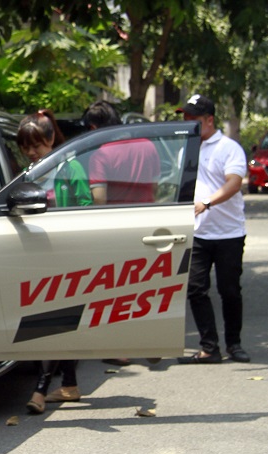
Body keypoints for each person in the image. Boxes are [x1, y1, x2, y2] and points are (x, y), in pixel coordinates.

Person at [16, 109, 90, 413]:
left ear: (50, 139)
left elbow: (85, 207)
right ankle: (69, 385)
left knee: (54, 323)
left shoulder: (71, 168)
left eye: (37, 146)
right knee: (58, 323)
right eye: (26, 147)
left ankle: (40, 390)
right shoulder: (29, 172)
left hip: (65, 256)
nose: (32, 152)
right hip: (37, 255)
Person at [82, 101, 162, 366]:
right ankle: (153, 344)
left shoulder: (101, 154)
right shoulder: (147, 145)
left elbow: (99, 199)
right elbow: (158, 184)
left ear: (94, 127)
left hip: (117, 228)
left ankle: (119, 350)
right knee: (147, 287)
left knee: (115, 291)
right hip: (148, 224)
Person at [175, 94, 250, 364]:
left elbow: (233, 183)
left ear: (209, 120)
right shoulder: (186, 148)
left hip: (229, 233)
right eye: (185, 119)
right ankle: (209, 347)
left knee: (230, 291)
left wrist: (206, 203)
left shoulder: (229, 148)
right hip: (199, 233)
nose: (188, 125)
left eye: (193, 120)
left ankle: (234, 344)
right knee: (195, 288)